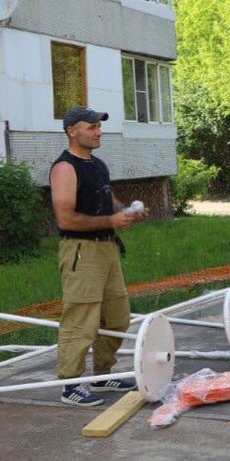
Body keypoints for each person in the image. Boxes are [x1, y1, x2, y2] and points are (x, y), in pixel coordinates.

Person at [49, 106, 149, 407]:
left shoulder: (97, 164)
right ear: (72, 131)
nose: (98, 131)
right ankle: (70, 385)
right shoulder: (65, 168)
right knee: (81, 320)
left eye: (98, 126)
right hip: (81, 251)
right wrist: (110, 222)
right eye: (91, 127)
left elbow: (107, 199)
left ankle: (102, 374)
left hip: (107, 249)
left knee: (116, 317)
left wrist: (126, 211)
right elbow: (65, 219)